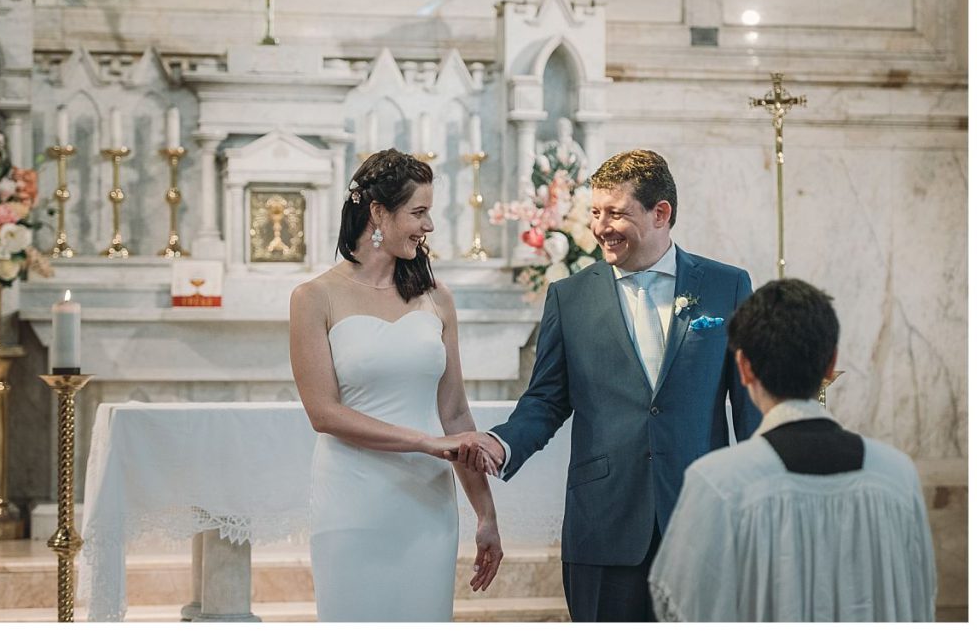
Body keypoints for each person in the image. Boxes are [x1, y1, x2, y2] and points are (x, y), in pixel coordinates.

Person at [451, 149, 762, 622]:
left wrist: (767, 495)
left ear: (661, 214)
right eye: (595, 213)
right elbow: (546, 399)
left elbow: (751, 403)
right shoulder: (570, 297)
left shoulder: (727, 286)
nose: (600, 227)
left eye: (616, 213)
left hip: (703, 519)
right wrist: (501, 443)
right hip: (603, 522)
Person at [288, 149, 502, 622]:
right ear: (378, 213)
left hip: (427, 505)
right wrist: (426, 443)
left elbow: (457, 416)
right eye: (419, 213)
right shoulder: (314, 298)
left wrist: (485, 515)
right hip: (353, 501)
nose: (428, 227)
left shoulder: (436, 298)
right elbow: (323, 413)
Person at [648, 278, 937, 622]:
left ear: (743, 368)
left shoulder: (718, 483)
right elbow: (921, 597)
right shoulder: (897, 475)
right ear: (831, 365)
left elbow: (682, 607)